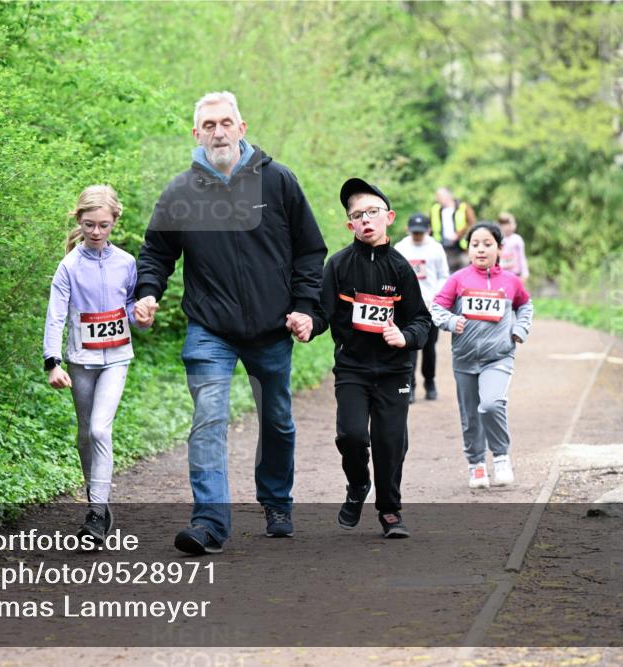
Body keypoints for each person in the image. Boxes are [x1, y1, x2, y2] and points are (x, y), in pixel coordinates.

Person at [133, 91, 327, 554]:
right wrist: (147, 293)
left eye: (225, 122)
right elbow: (156, 254)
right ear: (196, 133)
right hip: (210, 329)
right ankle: (209, 523)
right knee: (208, 421)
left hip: (271, 328)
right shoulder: (181, 191)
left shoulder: (278, 182)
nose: (218, 132)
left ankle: (277, 501)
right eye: (208, 125)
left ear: (242, 127)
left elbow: (309, 251)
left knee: (277, 420)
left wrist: (305, 307)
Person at [318, 178, 432, 539]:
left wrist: (405, 336)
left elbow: (422, 321)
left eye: (372, 212)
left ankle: (390, 512)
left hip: (394, 371)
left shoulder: (400, 269)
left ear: (389, 217)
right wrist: (306, 321)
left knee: (389, 441)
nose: (365, 219)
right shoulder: (337, 266)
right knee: (351, 436)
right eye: (357, 215)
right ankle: (357, 484)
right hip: (352, 367)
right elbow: (322, 313)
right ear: (349, 225)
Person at [43, 185, 145, 546]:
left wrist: (142, 316)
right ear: (79, 222)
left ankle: (97, 514)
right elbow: (55, 317)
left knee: (101, 430)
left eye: (103, 225)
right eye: (89, 225)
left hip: (116, 358)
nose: (96, 233)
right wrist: (53, 363)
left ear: (115, 221)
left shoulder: (127, 263)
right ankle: (96, 502)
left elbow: (132, 309)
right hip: (81, 360)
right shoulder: (69, 265)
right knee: (85, 434)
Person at [430, 222, 534, 489]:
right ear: (469, 248)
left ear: (499, 248)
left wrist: (520, 328)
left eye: (487, 244)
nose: (480, 249)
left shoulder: (511, 281)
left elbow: (525, 306)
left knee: (490, 404)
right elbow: (437, 308)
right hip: (464, 358)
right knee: (470, 414)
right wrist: (452, 322)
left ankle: (500, 457)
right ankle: (476, 464)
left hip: (498, 356)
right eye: (475, 244)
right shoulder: (458, 279)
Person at [395, 213, 450, 403]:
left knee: (429, 347)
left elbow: (444, 275)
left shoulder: (436, 249)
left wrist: (434, 298)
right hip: (407, 307)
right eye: (414, 232)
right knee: (409, 347)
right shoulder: (401, 248)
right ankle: (409, 385)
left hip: (431, 306)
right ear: (408, 230)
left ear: (428, 230)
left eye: (421, 232)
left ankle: (430, 381)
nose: (417, 236)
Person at [431, 187, 477, 272]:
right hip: (443, 248)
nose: (437, 199)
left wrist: (458, 234)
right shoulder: (435, 209)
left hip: (461, 248)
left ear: (448, 196)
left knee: (465, 271)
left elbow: (472, 224)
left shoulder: (463, 207)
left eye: (439, 196)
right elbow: (430, 226)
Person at [497, 212, 529, 282]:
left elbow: (522, 257)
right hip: (502, 275)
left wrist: (525, 274)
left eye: (514, 223)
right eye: (511, 223)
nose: (514, 225)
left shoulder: (517, 239)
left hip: (515, 274)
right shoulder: (498, 239)